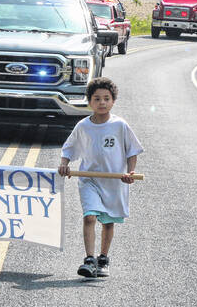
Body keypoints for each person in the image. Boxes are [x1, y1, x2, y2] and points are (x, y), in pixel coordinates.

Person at [58, 77, 143, 278]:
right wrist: (64, 164)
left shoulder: (120, 125)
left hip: (114, 181)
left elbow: (132, 151)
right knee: (90, 216)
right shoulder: (83, 126)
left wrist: (130, 172)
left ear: (113, 101)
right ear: (89, 101)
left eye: (106, 98)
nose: (102, 103)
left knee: (107, 222)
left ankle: (103, 258)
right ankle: (89, 259)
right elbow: (68, 148)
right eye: (97, 99)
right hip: (89, 180)